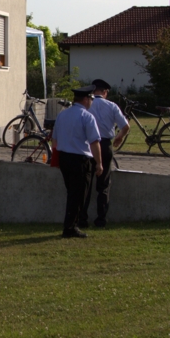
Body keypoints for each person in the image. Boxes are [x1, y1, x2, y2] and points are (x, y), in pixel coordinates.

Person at [51, 84, 103, 238]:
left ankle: (71, 225)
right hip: (80, 160)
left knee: (72, 193)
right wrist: (99, 163)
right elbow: (94, 142)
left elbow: (55, 139)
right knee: (79, 195)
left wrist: (56, 159)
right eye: (91, 98)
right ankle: (70, 227)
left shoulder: (62, 115)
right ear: (86, 99)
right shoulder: (87, 117)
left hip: (64, 158)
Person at [85, 79, 130, 228]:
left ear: (93, 90)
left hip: (88, 146)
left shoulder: (87, 104)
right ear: (105, 92)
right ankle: (101, 219)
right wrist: (119, 137)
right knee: (103, 185)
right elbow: (125, 126)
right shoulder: (112, 106)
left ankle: (82, 218)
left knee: (86, 183)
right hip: (104, 145)